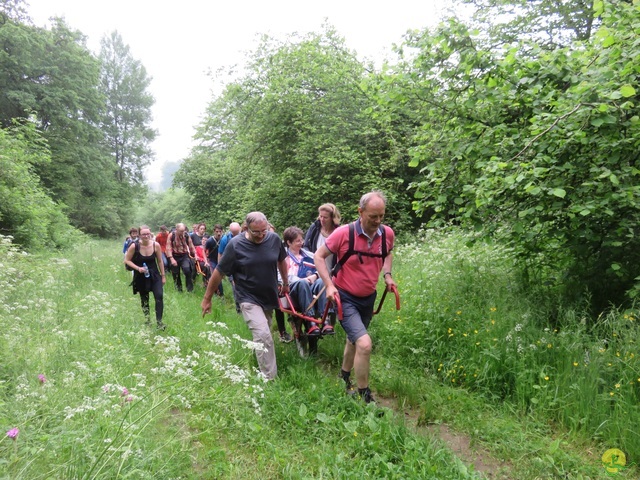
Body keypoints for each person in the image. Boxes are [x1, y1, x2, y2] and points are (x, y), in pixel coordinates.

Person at [314, 191, 396, 404]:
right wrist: (329, 286)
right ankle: (364, 395)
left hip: (368, 297)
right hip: (345, 297)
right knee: (365, 343)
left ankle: (343, 376)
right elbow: (319, 256)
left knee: (354, 339)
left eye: (381, 216)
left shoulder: (387, 234)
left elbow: (388, 253)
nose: (377, 221)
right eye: (372, 217)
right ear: (360, 212)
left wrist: (387, 275)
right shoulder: (343, 233)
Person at [201, 212, 288, 381]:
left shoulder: (274, 239)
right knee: (263, 335)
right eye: (256, 232)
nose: (261, 235)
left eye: (264, 231)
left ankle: (257, 360)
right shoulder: (235, 245)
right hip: (247, 297)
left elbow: (281, 260)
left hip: (268, 295)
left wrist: (285, 282)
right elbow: (219, 272)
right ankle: (269, 379)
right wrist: (207, 298)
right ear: (246, 228)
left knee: (264, 334)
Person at [283, 226, 331, 336]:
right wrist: (300, 280)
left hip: (312, 286)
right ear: (289, 243)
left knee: (322, 282)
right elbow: (280, 276)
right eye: (297, 241)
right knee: (302, 283)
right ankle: (310, 321)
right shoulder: (283, 258)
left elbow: (322, 269)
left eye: (301, 240)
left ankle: (326, 320)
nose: (301, 243)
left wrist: (315, 275)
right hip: (294, 288)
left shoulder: (310, 255)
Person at [124, 225, 167, 330]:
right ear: (139, 235)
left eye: (148, 234)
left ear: (150, 234)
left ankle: (159, 323)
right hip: (141, 276)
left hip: (155, 275)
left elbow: (160, 261)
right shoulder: (134, 246)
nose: (146, 236)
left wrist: (163, 276)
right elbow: (126, 260)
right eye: (143, 234)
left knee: (159, 296)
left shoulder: (155, 245)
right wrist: (138, 268)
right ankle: (147, 321)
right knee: (144, 299)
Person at [166, 222, 197, 292]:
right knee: (176, 274)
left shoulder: (186, 235)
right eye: (181, 231)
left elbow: (191, 245)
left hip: (184, 255)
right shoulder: (171, 236)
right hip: (174, 256)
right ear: (176, 229)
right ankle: (179, 290)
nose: (182, 232)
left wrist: (195, 255)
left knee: (187, 270)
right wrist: (171, 259)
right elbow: (168, 248)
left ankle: (190, 289)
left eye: (183, 230)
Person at [204, 224, 224, 297]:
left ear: (222, 231)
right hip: (212, 260)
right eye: (217, 231)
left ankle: (215, 290)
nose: (218, 233)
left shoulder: (224, 239)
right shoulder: (210, 241)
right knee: (216, 276)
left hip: (221, 261)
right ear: (214, 231)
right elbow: (204, 250)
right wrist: (206, 261)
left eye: (220, 231)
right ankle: (220, 294)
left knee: (220, 277)